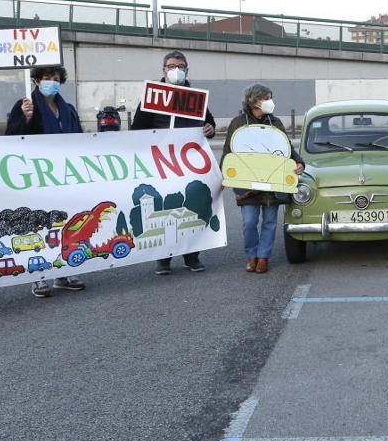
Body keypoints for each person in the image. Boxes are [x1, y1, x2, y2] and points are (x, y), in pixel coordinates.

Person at [130, 50, 217, 275]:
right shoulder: (153, 96)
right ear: (163, 70)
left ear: (187, 69)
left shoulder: (195, 97)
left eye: (180, 65)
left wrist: (210, 128)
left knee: (190, 206)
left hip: (188, 164)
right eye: (171, 66)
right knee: (162, 208)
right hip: (161, 164)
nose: (175, 69)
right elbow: (137, 130)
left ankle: (191, 255)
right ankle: (163, 258)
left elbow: (209, 123)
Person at [5, 65, 86, 298]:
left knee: (68, 223)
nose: (52, 82)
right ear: (37, 80)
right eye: (47, 78)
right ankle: (38, 276)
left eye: (56, 78)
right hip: (38, 178)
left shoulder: (68, 109)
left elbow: (81, 139)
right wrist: (26, 119)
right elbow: (11, 139)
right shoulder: (25, 105)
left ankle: (65, 271)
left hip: (66, 176)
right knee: (40, 226)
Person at [223, 84, 305, 274]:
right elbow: (229, 152)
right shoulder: (238, 123)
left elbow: (287, 148)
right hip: (248, 186)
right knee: (249, 222)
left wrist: (299, 162)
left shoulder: (275, 123)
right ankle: (251, 255)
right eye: (266, 98)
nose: (270, 101)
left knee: (269, 222)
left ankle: (263, 257)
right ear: (254, 100)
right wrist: (224, 175)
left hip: (273, 184)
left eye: (270, 97)